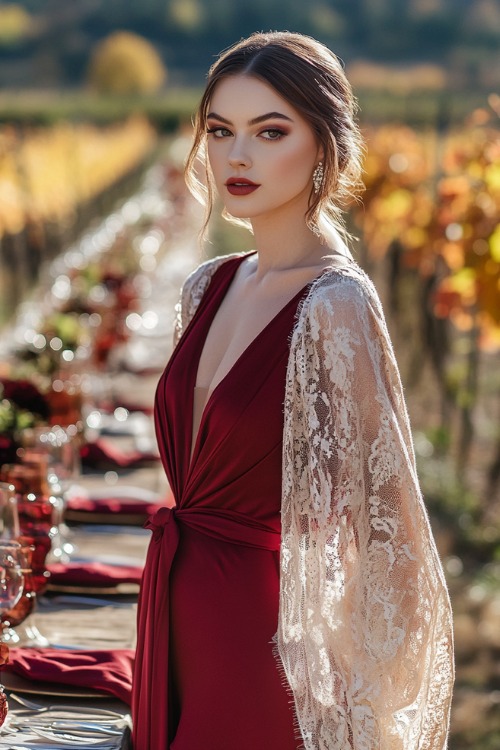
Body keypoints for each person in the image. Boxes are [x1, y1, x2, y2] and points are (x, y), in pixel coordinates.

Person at [132, 31, 454, 750]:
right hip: (174, 615)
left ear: (324, 145)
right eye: (220, 131)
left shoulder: (335, 303)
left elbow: (388, 528)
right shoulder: (208, 285)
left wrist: (366, 711)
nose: (236, 156)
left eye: (269, 131)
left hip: (264, 645)